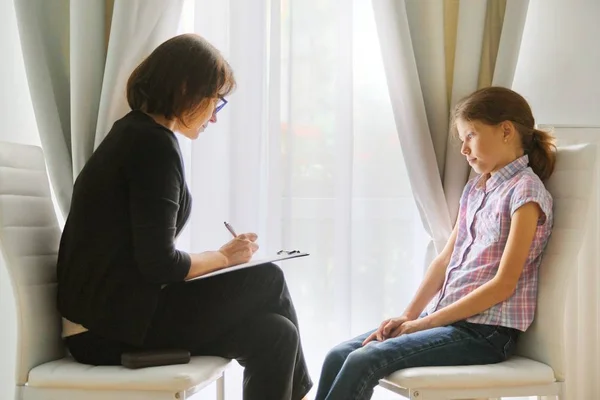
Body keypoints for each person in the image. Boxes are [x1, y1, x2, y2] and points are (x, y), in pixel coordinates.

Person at [56, 33, 312, 400]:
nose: (214, 117)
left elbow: (147, 259)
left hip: (118, 318)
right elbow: (160, 265)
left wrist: (224, 259)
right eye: (216, 102)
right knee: (267, 278)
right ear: (186, 87)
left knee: (275, 334)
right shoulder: (152, 144)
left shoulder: (135, 134)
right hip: (107, 330)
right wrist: (223, 258)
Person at [315, 86, 556, 400]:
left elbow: (503, 285)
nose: (463, 150)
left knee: (365, 359)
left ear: (506, 131)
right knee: (338, 355)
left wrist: (422, 324)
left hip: (486, 332)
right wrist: (408, 316)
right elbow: (445, 260)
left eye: (470, 135)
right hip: (451, 323)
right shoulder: (476, 189)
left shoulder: (526, 192)